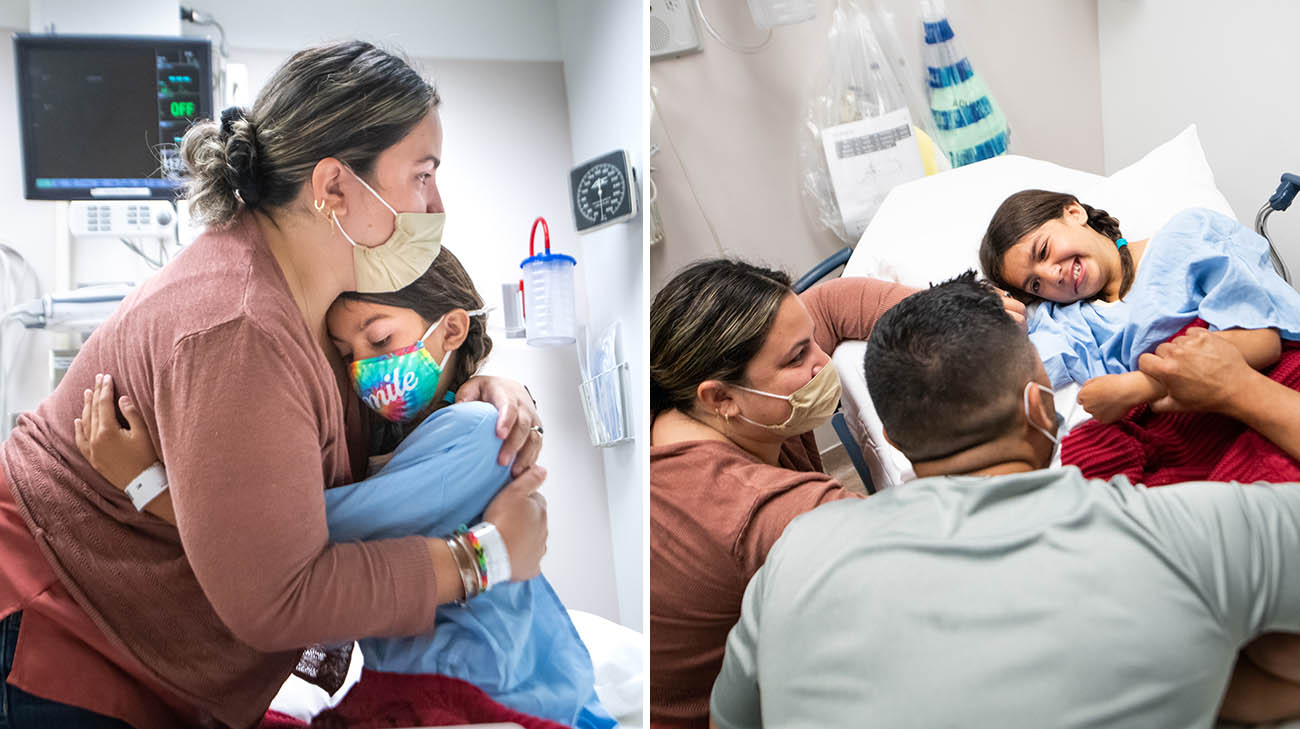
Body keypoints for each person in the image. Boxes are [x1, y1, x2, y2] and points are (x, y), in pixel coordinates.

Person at [0, 41, 547, 728]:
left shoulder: (306, 308)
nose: (436, 203)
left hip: (139, 645)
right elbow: (277, 590)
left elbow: (314, 483)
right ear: (335, 188)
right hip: (59, 626)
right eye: (423, 174)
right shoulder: (239, 324)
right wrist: (483, 557)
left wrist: (481, 383)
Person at [710, 272, 1300, 728]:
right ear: (1043, 407)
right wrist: (1243, 391)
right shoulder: (1188, 533)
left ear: (893, 438)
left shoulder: (795, 555)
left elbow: (731, 718)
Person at [75, 248, 614, 728]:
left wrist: (148, 487)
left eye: (379, 339)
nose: (364, 367)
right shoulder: (389, 439)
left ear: (451, 330)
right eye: (345, 352)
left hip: (487, 688)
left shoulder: (475, 432)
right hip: (425, 679)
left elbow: (299, 537)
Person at [649, 259, 918, 728]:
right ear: (720, 398)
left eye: (811, 342)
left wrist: (956, 317)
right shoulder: (753, 510)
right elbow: (936, 549)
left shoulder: (711, 414)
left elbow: (833, 305)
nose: (823, 361)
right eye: (798, 357)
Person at [978, 190, 1300, 423]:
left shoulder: (1186, 234)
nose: (1052, 276)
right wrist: (1000, 322)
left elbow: (1262, 339)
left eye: (1044, 250)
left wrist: (1136, 387)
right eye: (1035, 284)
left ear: (1074, 213)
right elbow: (1010, 381)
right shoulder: (1074, 322)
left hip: (1275, 390)